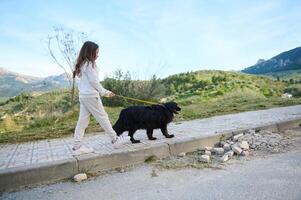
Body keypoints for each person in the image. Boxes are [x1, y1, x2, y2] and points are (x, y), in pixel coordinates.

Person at [72, 41, 129, 155]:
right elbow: (94, 82)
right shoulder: (88, 65)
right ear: (90, 53)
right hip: (91, 96)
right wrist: (106, 93)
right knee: (103, 117)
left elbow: (87, 83)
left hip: (84, 97)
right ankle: (115, 139)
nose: (98, 55)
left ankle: (77, 147)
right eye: (96, 52)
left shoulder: (83, 65)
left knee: (82, 122)